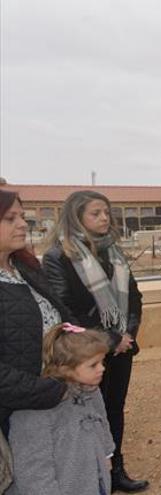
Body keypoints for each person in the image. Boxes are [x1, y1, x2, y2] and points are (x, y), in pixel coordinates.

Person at [42, 190, 149, 493]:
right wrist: (110, 339)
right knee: (87, 413)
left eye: (106, 213)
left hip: (120, 350)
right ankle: (90, 474)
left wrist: (128, 334)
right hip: (85, 353)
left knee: (114, 409)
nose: (104, 218)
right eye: (96, 213)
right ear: (76, 217)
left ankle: (116, 470)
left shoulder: (112, 250)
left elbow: (135, 297)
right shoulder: (58, 256)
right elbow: (65, 309)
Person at [0, 190, 68, 474]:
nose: (22, 224)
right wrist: (52, 390)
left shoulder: (25, 267)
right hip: (14, 416)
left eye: (22, 217)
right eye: (9, 218)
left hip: (48, 405)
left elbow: (60, 317)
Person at [7, 323, 115, 495]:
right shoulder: (34, 411)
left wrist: (107, 453)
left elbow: (102, 421)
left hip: (94, 481)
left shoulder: (91, 391)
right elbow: (33, 472)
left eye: (102, 361)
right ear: (66, 368)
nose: (102, 368)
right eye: (93, 365)